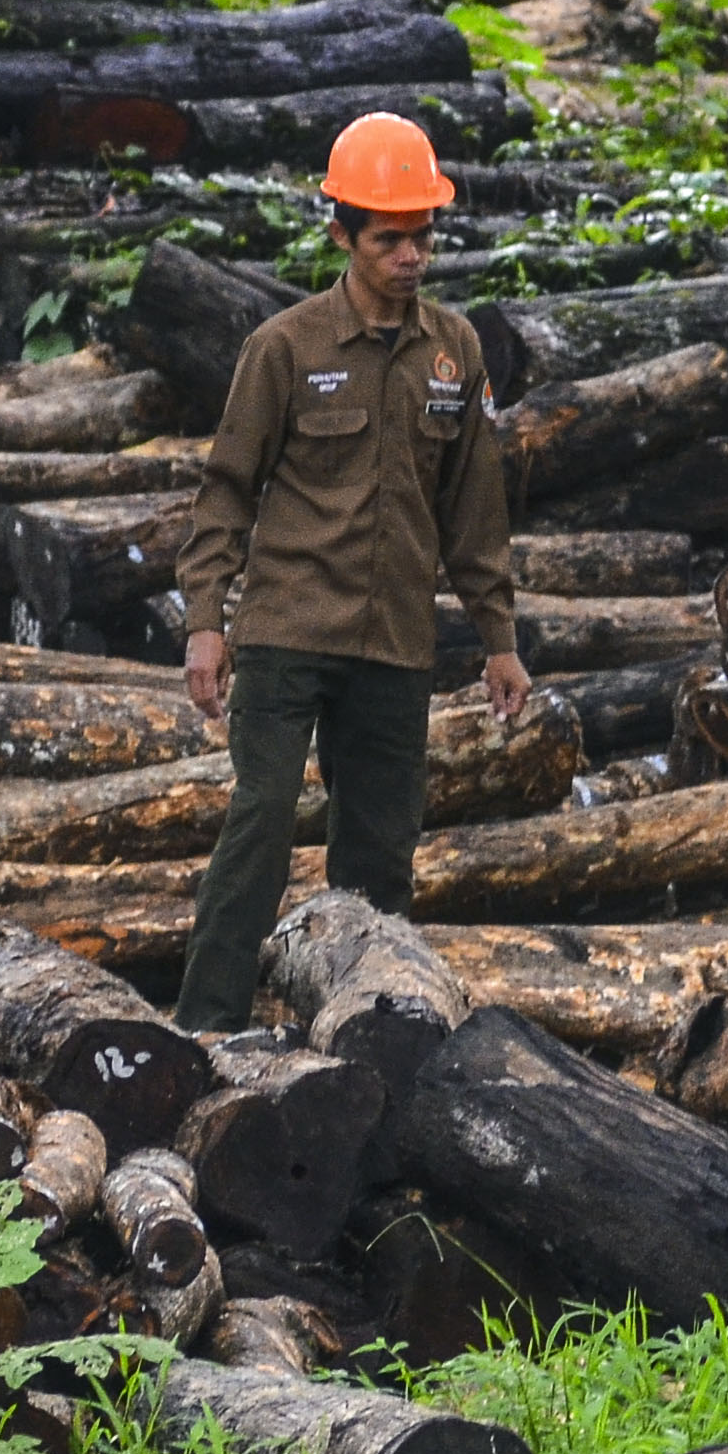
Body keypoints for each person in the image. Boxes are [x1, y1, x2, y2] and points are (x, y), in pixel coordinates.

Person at [172, 111, 532, 1031]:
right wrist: (205, 622)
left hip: (396, 643)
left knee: (379, 855)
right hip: (289, 630)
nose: (410, 256)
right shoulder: (286, 349)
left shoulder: (455, 353)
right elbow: (226, 491)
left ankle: (369, 1034)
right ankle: (204, 1028)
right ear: (341, 233)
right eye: (388, 239)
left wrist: (499, 642)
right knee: (258, 821)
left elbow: (474, 510)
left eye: (423, 235)